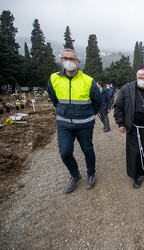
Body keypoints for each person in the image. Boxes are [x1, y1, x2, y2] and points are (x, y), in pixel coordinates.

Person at [47, 48, 102, 193]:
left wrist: (89, 114)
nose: (68, 62)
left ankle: (91, 173)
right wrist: (62, 111)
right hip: (64, 124)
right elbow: (54, 98)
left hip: (84, 124)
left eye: (72, 59)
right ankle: (75, 174)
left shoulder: (88, 81)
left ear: (78, 62)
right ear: (62, 60)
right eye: (65, 58)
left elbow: (97, 101)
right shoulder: (54, 78)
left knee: (87, 150)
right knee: (65, 152)